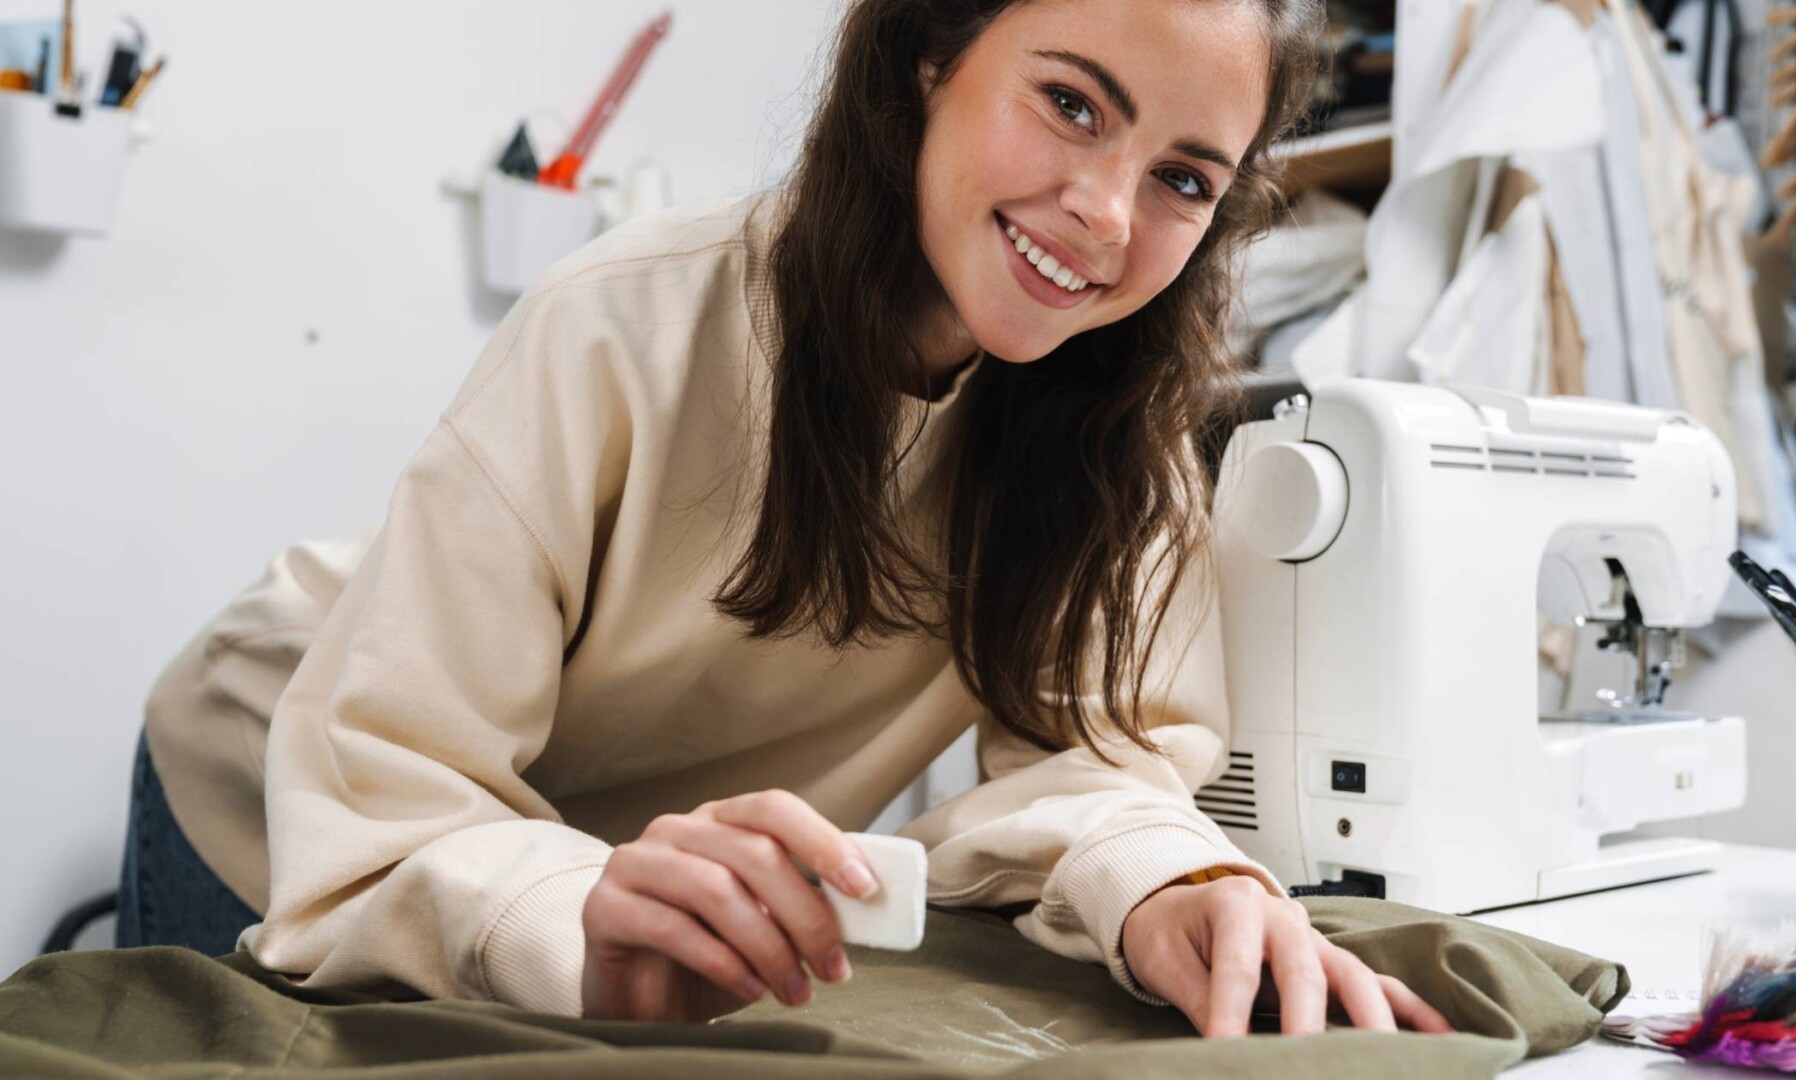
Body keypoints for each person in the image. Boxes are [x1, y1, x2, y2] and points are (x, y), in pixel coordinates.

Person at [123, 0, 1453, 1040]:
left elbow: (1094, 757)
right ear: (933, 56)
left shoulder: (1121, 448)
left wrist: (1173, 881)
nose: (1107, 212)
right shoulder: (626, 322)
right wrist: (570, 901)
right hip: (293, 787)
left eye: (1184, 179)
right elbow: (386, 774)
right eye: (1070, 104)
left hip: (603, 882)